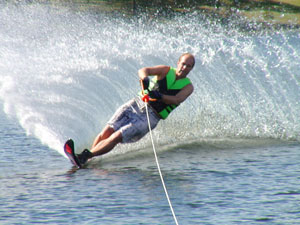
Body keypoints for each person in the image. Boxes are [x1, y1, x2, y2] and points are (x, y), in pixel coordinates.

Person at [76, 53, 195, 166]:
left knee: (117, 136)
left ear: (191, 69)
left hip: (150, 117)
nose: (184, 67)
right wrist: (144, 79)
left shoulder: (188, 87)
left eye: (188, 66)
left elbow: (177, 99)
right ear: (178, 62)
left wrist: (160, 96)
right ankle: (86, 159)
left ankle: (86, 155)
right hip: (136, 104)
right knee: (107, 131)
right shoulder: (165, 70)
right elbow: (143, 70)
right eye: (183, 63)